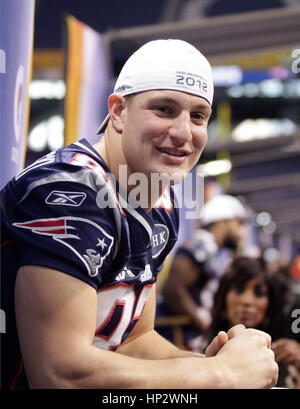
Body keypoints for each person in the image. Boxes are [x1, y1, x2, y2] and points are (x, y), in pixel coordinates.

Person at [1, 39, 278, 389]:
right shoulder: (70, 191)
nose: (182, 133)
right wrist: (217, 375)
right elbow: (58, 373)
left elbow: (133, 341)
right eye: (163, 109)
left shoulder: (160, 203)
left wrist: (211, 362)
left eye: (198, 116)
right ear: (118, 111)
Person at [156, 194, 248, 350]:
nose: (241, 232)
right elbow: (172, 290)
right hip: (175, 333)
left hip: (183, 332)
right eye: (237, 223)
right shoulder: (203, 243)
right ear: (222, 222)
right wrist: (205, 326)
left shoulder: (214, 249)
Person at [203, 256, 300, 388]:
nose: (247, 301)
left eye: (259, 293)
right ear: (223, 297)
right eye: (239, 290)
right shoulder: (202, 353)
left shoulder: (285, 359)